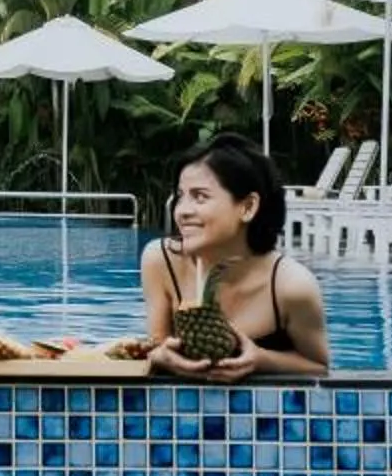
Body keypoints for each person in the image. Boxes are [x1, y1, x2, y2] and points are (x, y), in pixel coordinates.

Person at [141, 131, 330, 379]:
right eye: (180, 196)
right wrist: (158, 355)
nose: (182, 211)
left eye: (200, 197)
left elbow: (318, 366)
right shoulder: (160, 261)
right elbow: (155, 347)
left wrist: (262, 360)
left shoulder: (291, 286)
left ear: (248, 207)